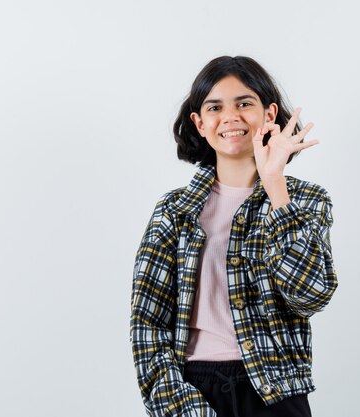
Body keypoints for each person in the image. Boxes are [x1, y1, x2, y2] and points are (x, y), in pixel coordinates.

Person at [129, 55, 338, 417]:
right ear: (200, 123)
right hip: (191, 388)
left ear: (269, 114)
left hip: (276, 392)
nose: (231, 117)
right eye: (215, 107)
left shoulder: (306, 200)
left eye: (244, 103)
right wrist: (183, 407)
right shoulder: (174, 211)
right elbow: (147, 325)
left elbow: (310, 296)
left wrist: (275, 186)